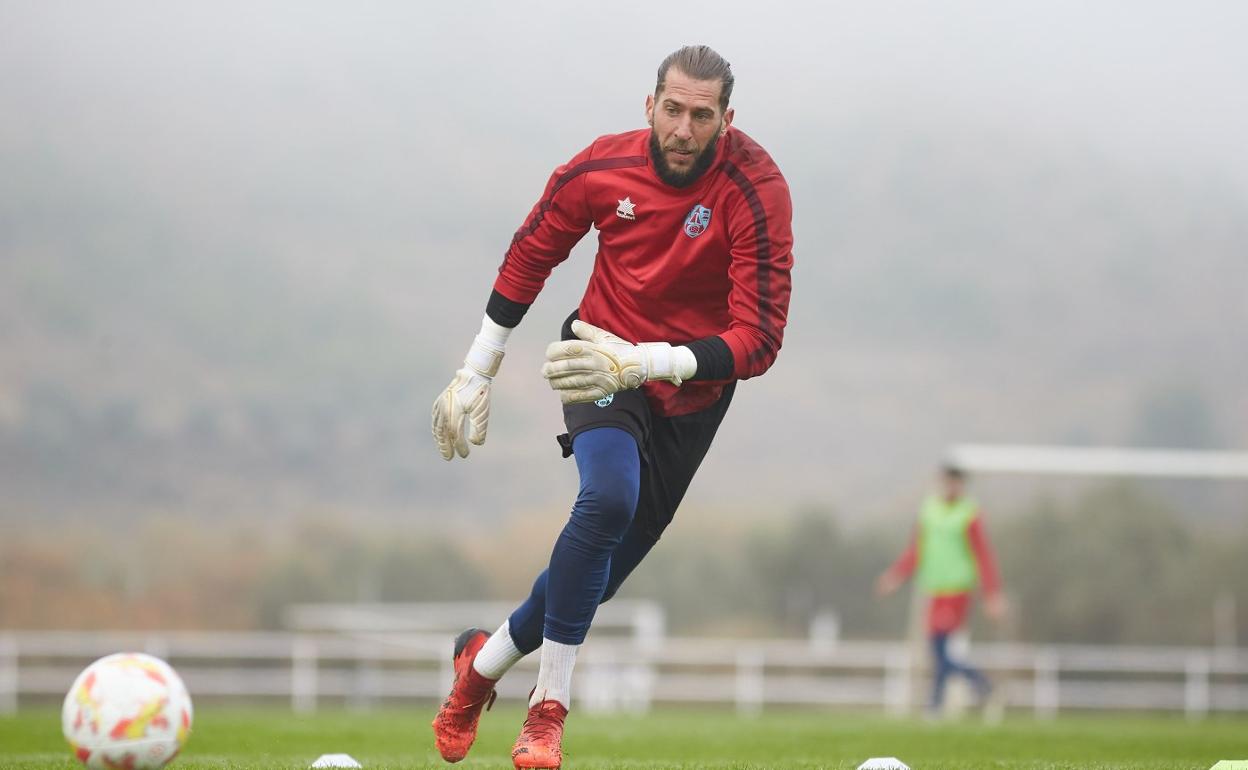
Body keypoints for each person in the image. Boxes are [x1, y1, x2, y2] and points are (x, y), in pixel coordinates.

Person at [429, 45, 793, 769]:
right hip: (597, 358)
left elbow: (760, 338)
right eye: (672, 109)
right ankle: (548, 710)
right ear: (649, 104)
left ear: (727, 119)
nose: (684, 128)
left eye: (702, 115)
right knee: (607, 498)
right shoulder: (600, 169)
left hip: (691, 394)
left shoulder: (757, 188)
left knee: (594, 576)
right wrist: (477, 369)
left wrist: (653, 360)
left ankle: (480, 665)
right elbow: (533, 251)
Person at [875, 464, 1008, 715]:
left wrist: (992, 593)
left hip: (957, 589)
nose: (949, 487)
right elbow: (916, 550)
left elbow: (983, 555)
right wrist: (895, 575)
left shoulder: (969, 514)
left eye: (954, 483)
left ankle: (980, 685)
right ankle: (938, 705)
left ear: (961, 486)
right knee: (938, 651)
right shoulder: (929, 511)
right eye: (946, 482)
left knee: (939, 649)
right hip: (934, 589)